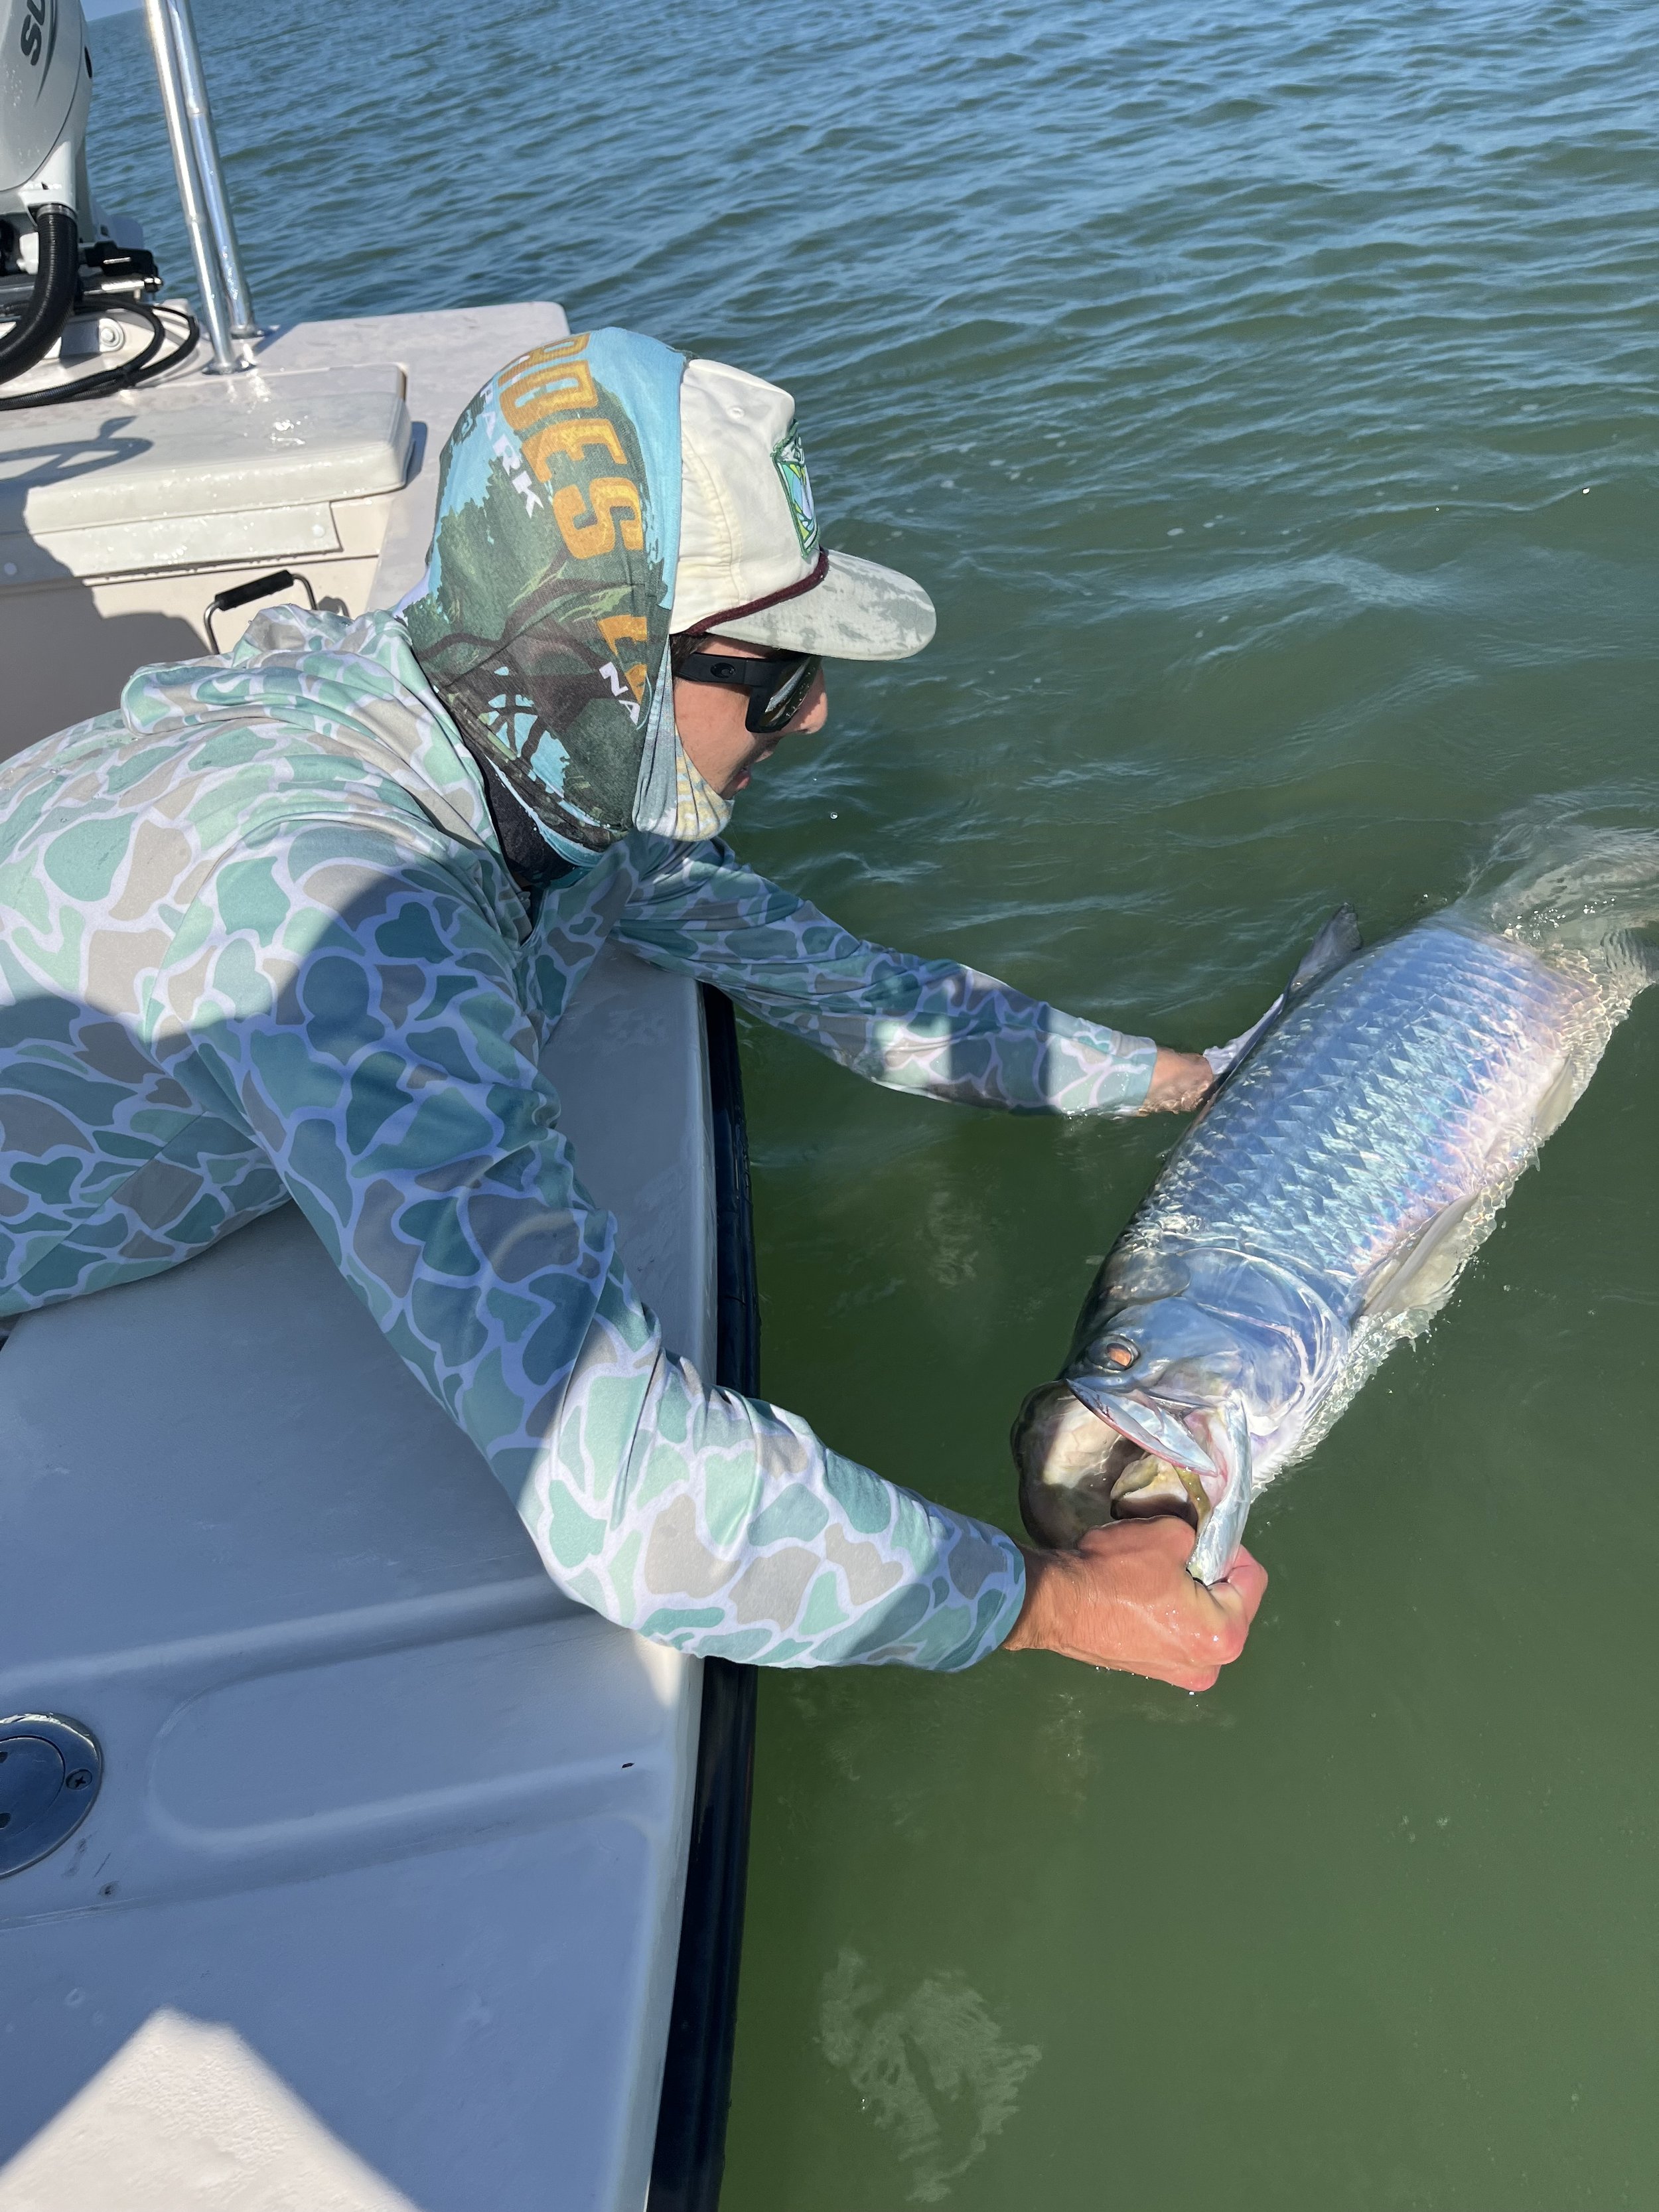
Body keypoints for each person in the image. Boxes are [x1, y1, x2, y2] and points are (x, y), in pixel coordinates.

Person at [0, 328, 1264, 1690]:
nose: (817, 714)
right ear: (600, 662)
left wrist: (1178, 1079)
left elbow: (852, 988)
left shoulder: (521, 747)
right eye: (777, 674)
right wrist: (1060, 1600)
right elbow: (626, 1502)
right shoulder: (350, 915)